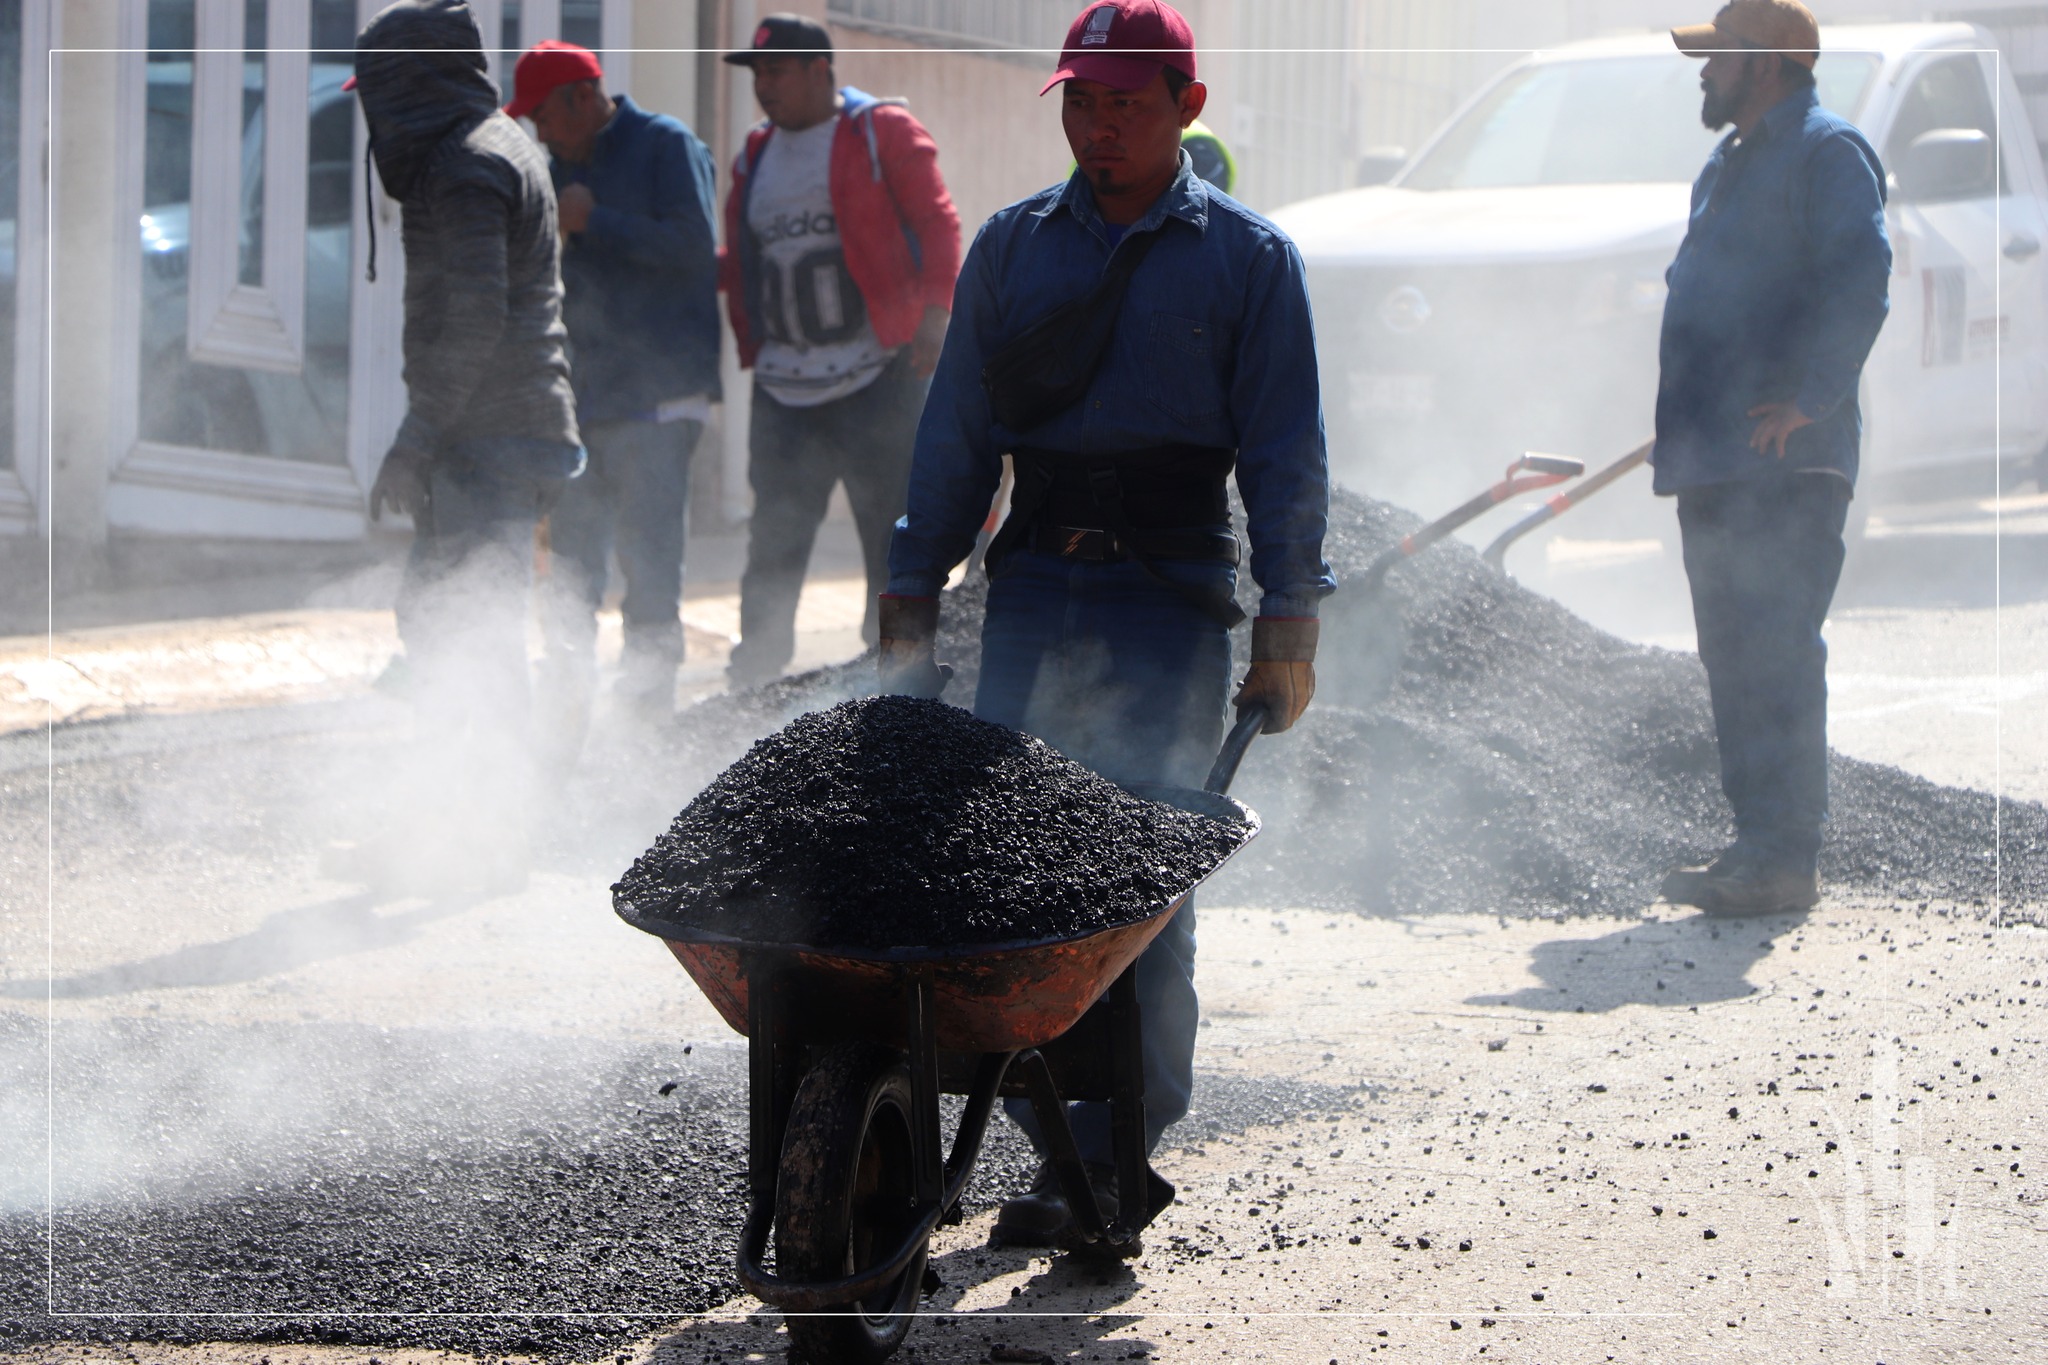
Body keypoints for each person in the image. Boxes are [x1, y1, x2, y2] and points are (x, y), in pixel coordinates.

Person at [879, 0, 1333, 1247]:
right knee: (1012, 876)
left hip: (1167, 601)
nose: (1098, 126)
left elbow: (1286, 455)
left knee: (1139, 882)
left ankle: (1115, 1149)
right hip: (1032, 591)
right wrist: (911, 581)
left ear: (1185, 107)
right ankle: (1054, 1148)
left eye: (1124, 102)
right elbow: (957, 434)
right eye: (1080, 101)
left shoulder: (1246, 259)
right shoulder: (1015, 249)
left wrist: (1287, 621)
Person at [1654, 0, 1890, 917]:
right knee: (1730, 651)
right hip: (1717, 458)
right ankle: (1755, 843)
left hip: (1784, 462)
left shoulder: (1828, 153)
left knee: (1777, 650)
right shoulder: (1731, 160)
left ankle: (1787, 856)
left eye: (1722, 57)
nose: (1705, 71)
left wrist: (1812, 399)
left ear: (1773, 61)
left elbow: (1862, 276)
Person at [346, 0, 581, 889]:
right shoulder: (494, 146)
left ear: (410, 87)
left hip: (492, 439)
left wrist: (415, 440)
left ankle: (485, 836)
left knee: (462, 637)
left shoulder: (469, 167)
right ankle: (452, 828)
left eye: (376, 94)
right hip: (510, 435)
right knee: (449, 628)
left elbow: (478, 319)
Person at [719, 13, 961, 688]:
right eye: (757, 73)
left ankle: (898, 685)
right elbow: (743, 259)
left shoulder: (880, 132)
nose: (764, 85)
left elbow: (938, 221)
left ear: (819, 70)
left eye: (776, 71)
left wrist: (937, 312)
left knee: (893, 539)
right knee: (774, 541)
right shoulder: (755, 154)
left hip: (875, 377)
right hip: (784, 386)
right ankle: (754, 678)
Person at [502, 40, 721, 754]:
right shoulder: (561, 165)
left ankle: (644, 746)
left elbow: (697, 249)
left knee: (651, 579)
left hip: (659, 403)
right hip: (585, 409)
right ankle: (562, 746)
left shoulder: (665, 145)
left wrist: (597, 221)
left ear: (579, 96)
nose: (537, 132)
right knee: (569, 581)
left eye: (541, 115)